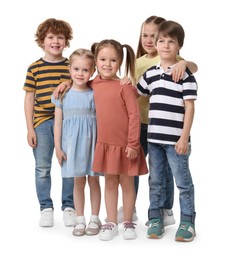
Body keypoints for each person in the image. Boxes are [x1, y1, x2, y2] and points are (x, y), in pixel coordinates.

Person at [54, 39, 148, 240]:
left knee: (127, 182)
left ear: (120, 62)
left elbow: (134, 116)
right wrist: (66, 82)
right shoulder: (92, 84)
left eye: (113, 60)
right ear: (96, 62)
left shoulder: (125, 87)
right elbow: (78, 83)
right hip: (104, 145)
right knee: (110, 183)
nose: (107, 64)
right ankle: (111, 221)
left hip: (125, 145)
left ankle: (129, 222)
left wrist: (133, 143)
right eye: (103, 59)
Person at [117, 15, 198, 226]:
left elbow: (190, 100)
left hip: (172, 134)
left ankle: (174, 214)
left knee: (176, 178)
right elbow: (134, 92)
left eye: (158, 37)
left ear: (178, 45)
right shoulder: (146, 68)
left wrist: (184, 63)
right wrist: (123, 83)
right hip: (147, 129)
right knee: (150, 174)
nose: (153, 41)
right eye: (147, 36)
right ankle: (139, 210)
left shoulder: (180, 68)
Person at [137, 20, 197, 242]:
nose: (164, 45)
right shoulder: (150, 74)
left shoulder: (185, 74)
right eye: (161, 40)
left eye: (171, 42)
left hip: (176, 141)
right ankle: (155, 218)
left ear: (179, 46)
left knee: (182, 181)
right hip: (154, 139)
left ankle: (188, 221)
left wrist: (184, 137)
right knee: (156, 180)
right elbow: (134, 94)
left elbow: (190, 108)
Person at [23, 18, 76, 227]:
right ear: (42, 41)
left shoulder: (71, 66)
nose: (56, 41)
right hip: (43, 122)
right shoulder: (34, 68)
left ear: (66, 41)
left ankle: (69, 206)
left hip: (67, 122)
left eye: (60, 37)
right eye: (51, 37)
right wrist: (30, 128)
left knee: (69, 164)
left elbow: (82, 82)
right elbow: (29, 98)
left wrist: (68, 81)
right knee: (42, 167)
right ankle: (46, 207)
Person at [51, 48, 102, 236]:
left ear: (93, 71)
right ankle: (80, 219)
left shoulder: (94, 93)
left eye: (85, 70)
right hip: (72, 146)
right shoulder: (62, 94)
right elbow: (57, 124)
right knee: (78, 182)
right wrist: (58, 147)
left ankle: (95, 218)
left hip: (93, 144)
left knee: (94, 181)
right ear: (69, 69)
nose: (80, 74)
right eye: (76, 69)